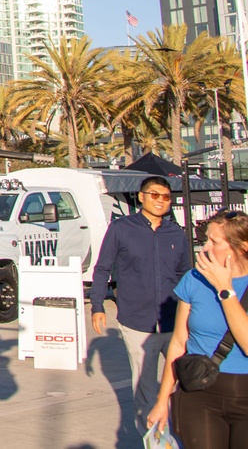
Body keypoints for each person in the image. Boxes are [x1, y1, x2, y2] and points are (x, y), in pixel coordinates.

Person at [90, 175, 191, 434]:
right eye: (154, 195)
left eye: (166, 196)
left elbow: (185, 274)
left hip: (173, 322)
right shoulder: (121, 229)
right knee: (145, 389)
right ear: (142, 197)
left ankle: (176, 435)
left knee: (182, 382)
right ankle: (151, 440)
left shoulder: (176, 234)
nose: (160, 201)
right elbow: (102, 269)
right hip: (137, 322)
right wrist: (98, 306)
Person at [148, 210, 248, 446]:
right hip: (198, 393)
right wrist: (162, 401)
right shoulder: (194, 279)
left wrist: (225, 289)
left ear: (242, 247)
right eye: (205, 240)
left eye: (214, 242)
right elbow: (179, 341)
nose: (204, 248)